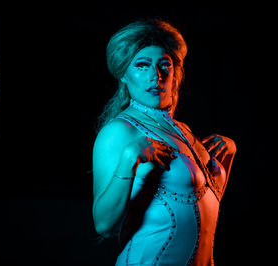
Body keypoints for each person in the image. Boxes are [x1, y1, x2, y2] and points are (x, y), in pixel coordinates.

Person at [92, 18, 236, 265]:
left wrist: (227, 155)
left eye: (164, 65)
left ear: (175, 72)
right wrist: (129, 158)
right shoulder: (119, 131)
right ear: (124, 75)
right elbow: (104, 225)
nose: (155, 76)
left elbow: (203, 209)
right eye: (142, 65)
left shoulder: (184, 131)